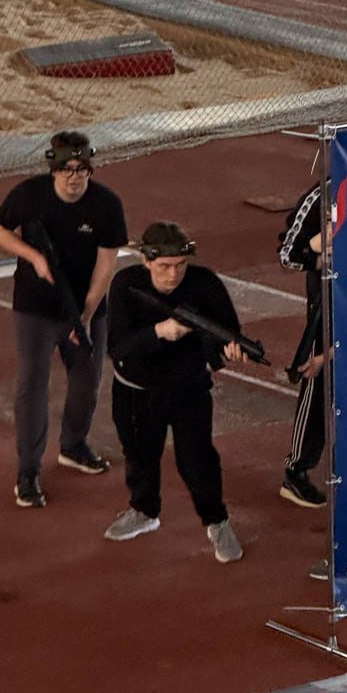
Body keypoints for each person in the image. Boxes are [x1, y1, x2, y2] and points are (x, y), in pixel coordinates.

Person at [0, 130, 127, 508]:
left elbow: (106, 266)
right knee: (32, 384)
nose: (74, 177)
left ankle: (74, 445)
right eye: (66, 169)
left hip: (85, 307)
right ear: (53, 169)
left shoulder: (107, 205)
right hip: (34, 307)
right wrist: (33, 256)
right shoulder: (29, 195)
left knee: (88, 379)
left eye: (82, 169)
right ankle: (28, 470)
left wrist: (85, 315)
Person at [105, 221, 244, 563]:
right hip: (136, 391)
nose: (173, 275)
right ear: (146, 261)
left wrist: (229, 349)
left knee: (198, 461)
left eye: (180, 265)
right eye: (165, 266)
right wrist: (159, 332)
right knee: (139, 455)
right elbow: (118, 346)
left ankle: (217, 521)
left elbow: (227, 330)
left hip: (188, 389)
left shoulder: (205, 283)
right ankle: (144, 510)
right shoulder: (126, 285)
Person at [278, 180, 331, 515]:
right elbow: (288, 254)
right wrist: (319, 250)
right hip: (329, 307)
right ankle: (297, 470)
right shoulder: (321, 194)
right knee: (318, 383)